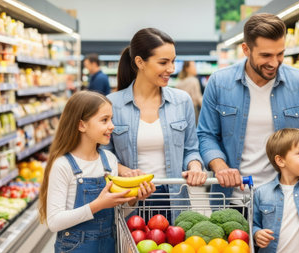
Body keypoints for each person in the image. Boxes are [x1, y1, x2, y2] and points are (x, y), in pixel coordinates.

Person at [197, 13, 299, 205]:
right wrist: (220, 166)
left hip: (288, 198)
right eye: (266, 55)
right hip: (233, 199)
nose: (274, 63)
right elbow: (206, 135)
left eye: (280, 54)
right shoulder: (220, 83)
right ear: (246, 49)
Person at [103, 28, 207, 222]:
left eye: (173, 61)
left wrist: (195, 166)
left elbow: (191, 149)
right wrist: (126, 171)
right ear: (140, 62)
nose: (171, 69)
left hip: (175, 198)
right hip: (130, 199)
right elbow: (102, 155)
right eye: (163, 62)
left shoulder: (181, 101)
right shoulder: (112, 104)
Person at [38, 91, 156, 253]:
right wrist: (96, 206)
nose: (112, 126)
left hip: (108, 245)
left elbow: (117, 213)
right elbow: (54, 222)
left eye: (111, 119)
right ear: (81, 125)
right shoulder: (63, 165)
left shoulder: (109, 161)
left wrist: (133, 200)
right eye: (104, 120)